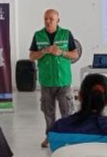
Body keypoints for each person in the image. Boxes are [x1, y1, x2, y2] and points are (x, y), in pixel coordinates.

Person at [29, 9, 79, 148]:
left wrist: (61, 52)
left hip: (63, 81)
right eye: (46, 18)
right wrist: (44, 51)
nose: (48, 21)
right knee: (48, 113)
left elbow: (75, 55)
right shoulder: (38, 35)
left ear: (58, 20)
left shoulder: (66, 34)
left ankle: (67, 137)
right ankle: (50, 137)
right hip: (46, 81)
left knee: (67, 112)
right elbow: (32, 56)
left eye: (51, 18)